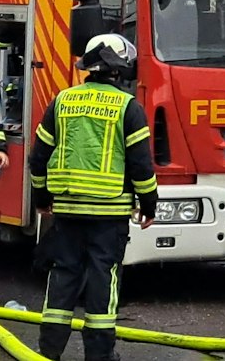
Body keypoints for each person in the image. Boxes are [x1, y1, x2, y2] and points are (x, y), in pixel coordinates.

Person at [27, 34, 158, 361]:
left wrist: (41, 198)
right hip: (108, 215)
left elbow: (38, 158)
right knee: (103, 283)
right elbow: (141, 164)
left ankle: (48, 353)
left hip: (67, 212)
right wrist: (149, 204)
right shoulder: (128, 108)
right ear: (119, 70)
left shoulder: (62, 101)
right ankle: (99, 356)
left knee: (63, 278)